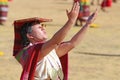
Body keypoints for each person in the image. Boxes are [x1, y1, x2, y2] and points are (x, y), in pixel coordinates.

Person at [13, 2, 97, 80]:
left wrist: (87, 24)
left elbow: (72, 43)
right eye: (39, 27)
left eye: (43, 26)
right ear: (29, 35)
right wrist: (71, 21)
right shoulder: (31, 52)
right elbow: (55, 42)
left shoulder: (48, 50)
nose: (43, 28)